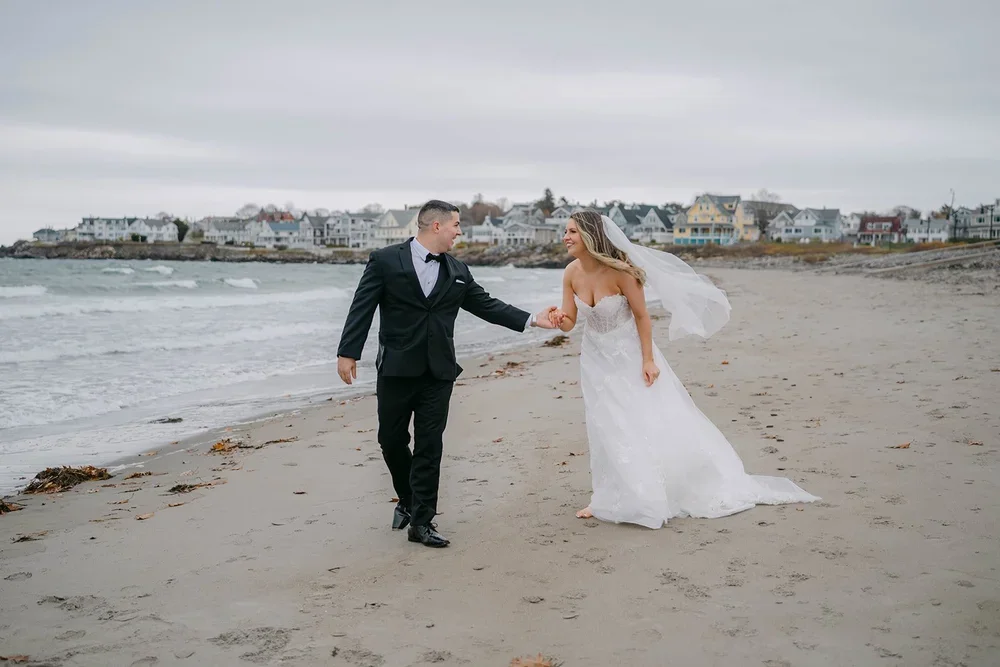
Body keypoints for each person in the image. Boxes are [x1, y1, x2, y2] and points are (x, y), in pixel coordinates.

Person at [550, 210, 818, 528]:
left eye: (572, 232)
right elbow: (569, 322)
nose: (565, 237)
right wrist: (557, 319)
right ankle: (607, 497)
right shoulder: (570, 273)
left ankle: (652, 492)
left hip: (629, 355)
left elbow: (642, 317)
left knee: (640, 419)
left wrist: (648, 360)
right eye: (565, 231)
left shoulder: (622, 272)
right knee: (605, 423)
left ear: (590, 236)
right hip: (595, 359)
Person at [336, 200, 560, 547]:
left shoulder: (458, 270)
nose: (460, 231)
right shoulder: (385, 261)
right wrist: (348, 352)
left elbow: (487, 305)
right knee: (391, 440)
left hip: (438, 372)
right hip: (395, 369)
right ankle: (408, 498)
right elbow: (361, 307)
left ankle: (422, 522)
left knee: (430, 445)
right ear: (436, 226)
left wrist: (532, 319)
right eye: (456, 225)